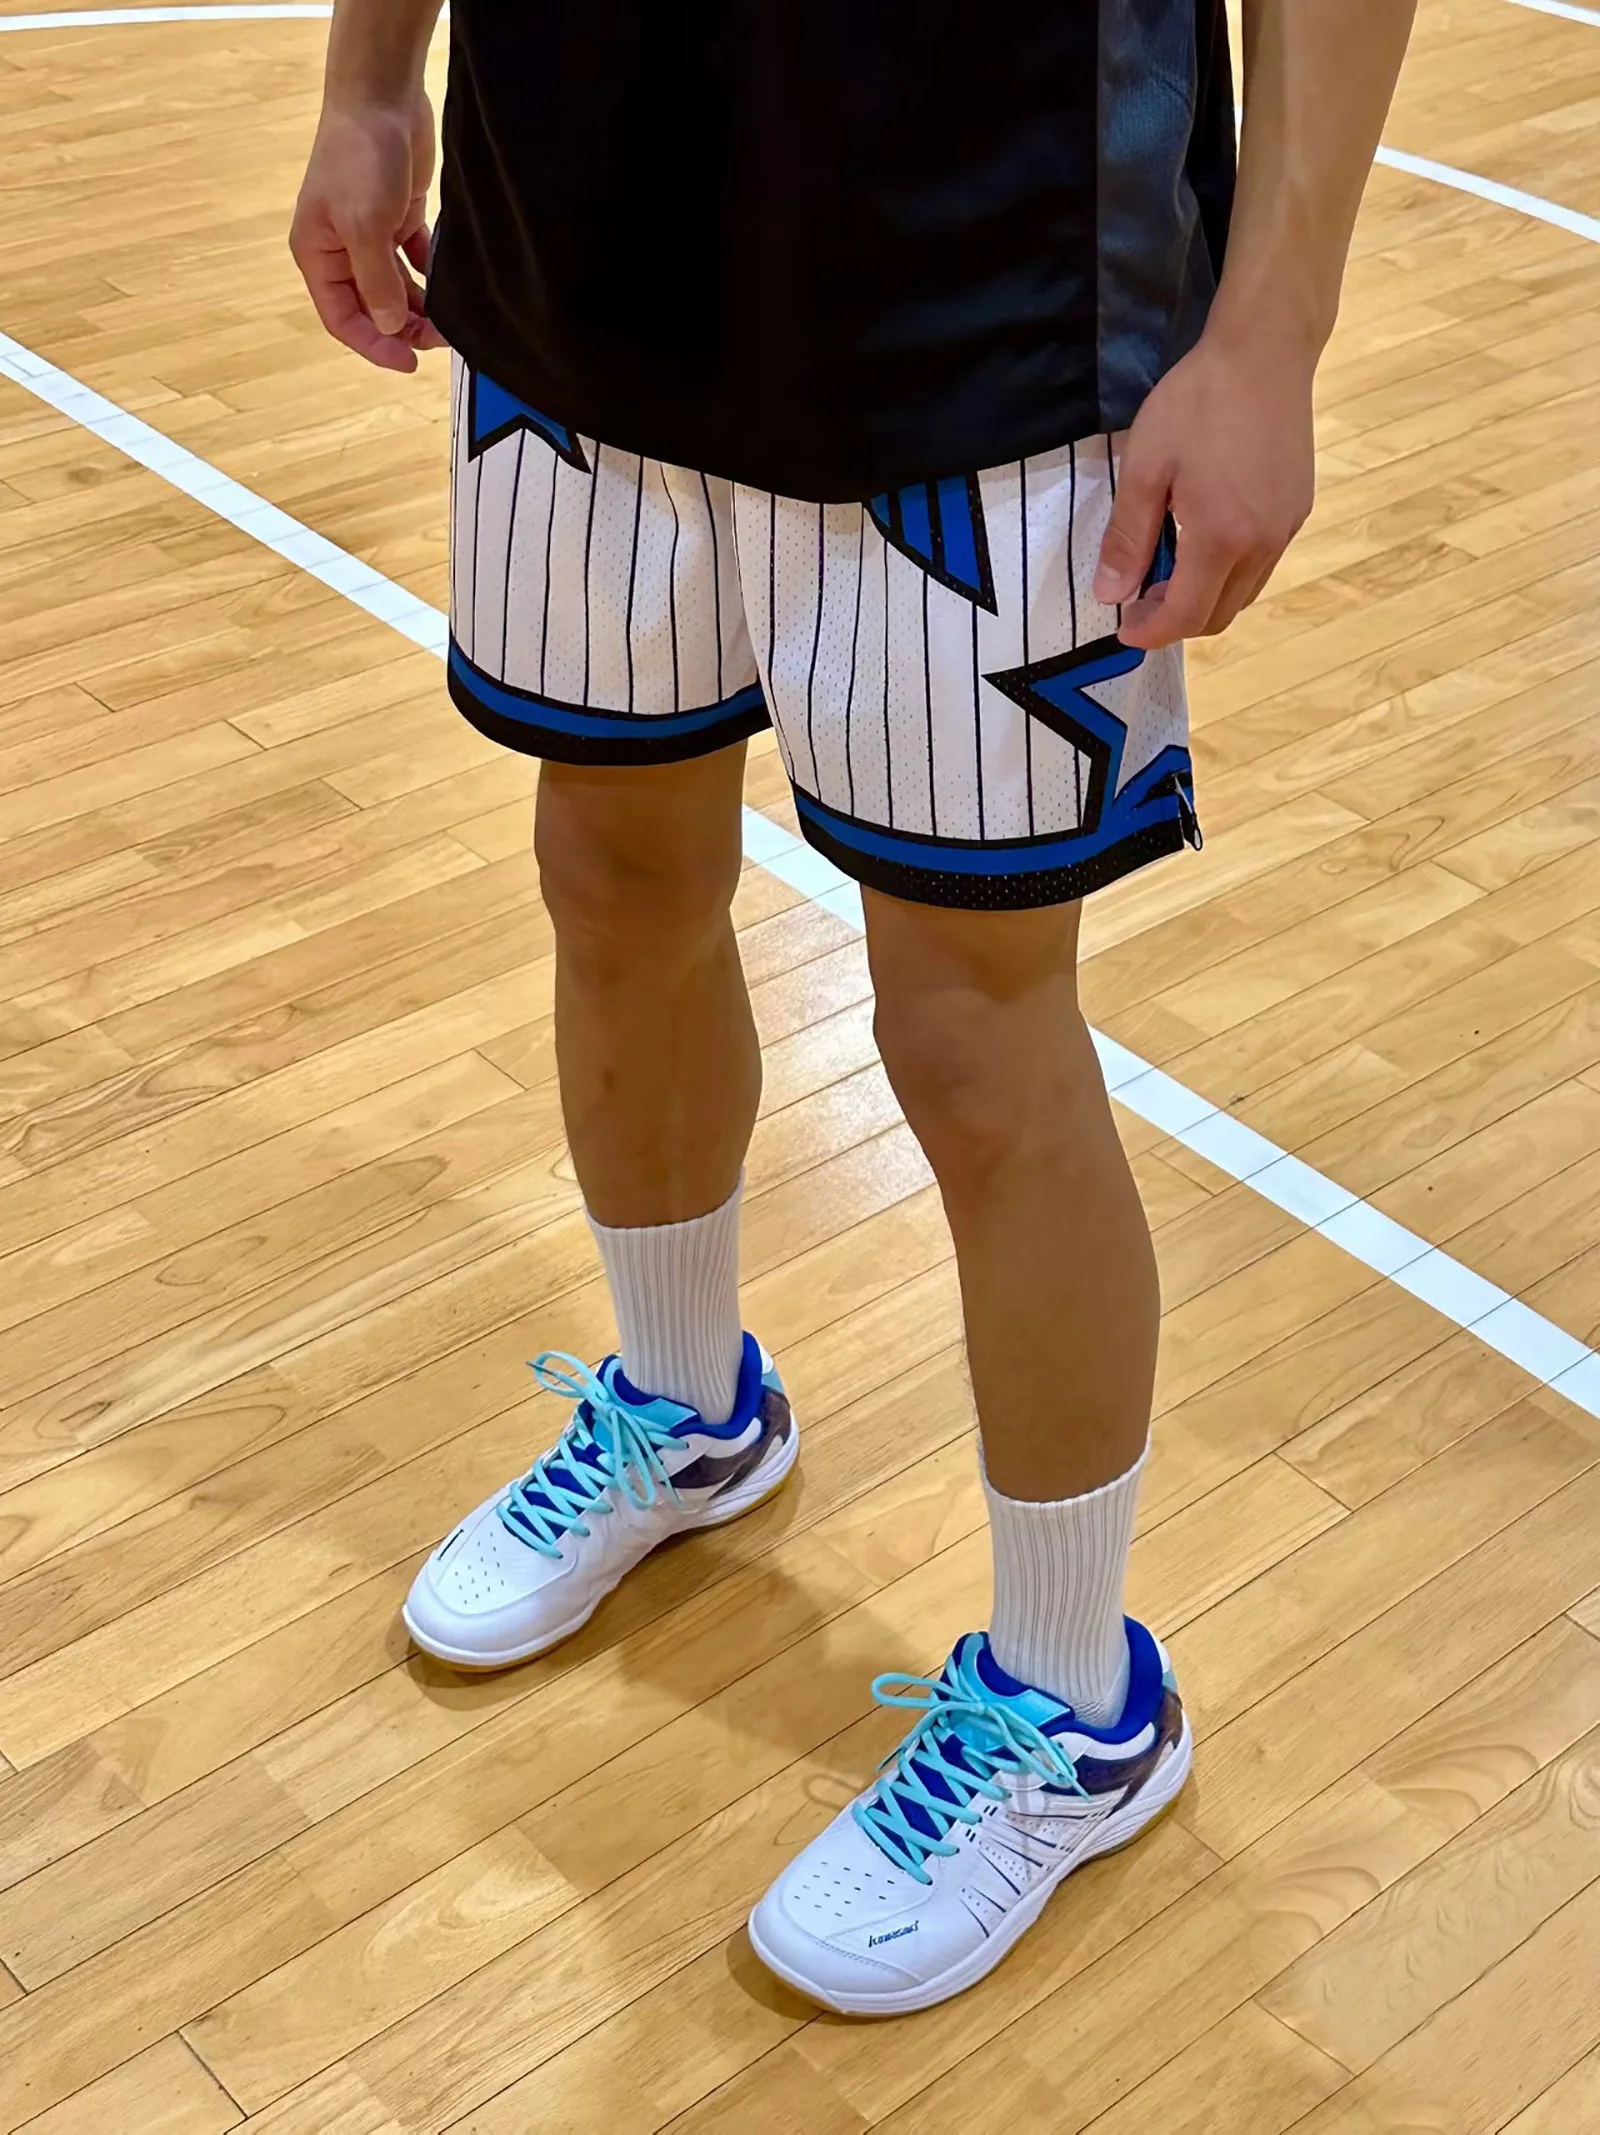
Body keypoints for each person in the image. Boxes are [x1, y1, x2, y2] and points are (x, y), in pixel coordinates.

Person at [291, 0, 1416, 2015]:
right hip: (574, 237)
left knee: (971, 1030)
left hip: (991, 290)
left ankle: (1075, 1705)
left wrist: (1270, 334)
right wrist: (371, 82)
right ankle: (686, 1407)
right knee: (609, 880)